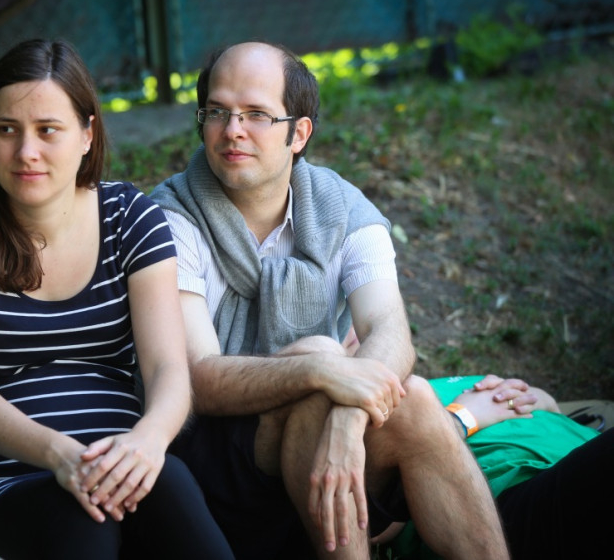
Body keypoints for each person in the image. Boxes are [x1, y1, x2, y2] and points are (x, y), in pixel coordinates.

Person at [150, 40, 510, 559]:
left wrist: (349, 415)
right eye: (217, 112)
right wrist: (321, 368)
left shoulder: (343, 210)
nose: (232, 130)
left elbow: (390, 331)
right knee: (322, 361)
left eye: (256, 114)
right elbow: (198, 380)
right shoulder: (171, 219)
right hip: (207, 462)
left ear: (299, 133)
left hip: (312, 442)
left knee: (416, 401)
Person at [0, 39, 233, 560]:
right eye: (6, 129)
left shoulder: (132, 218)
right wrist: (63, 457)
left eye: (47, 130)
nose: (25, 152)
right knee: (77, 514)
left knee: (168, 479)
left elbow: (168, 368)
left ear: (87, 134)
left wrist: (148, 441)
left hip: (121, 467)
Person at [380, 373, 613, 560]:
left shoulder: (400, 378)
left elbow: (548, 404)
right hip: (498, 507)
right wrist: (461, 418)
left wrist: (526, 397)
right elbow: (379, 520)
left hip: (572, 450)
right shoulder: (370, 414)